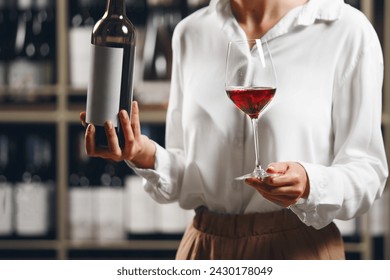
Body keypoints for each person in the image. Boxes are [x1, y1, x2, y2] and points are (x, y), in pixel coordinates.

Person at [80, 0, 388, 259]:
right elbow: (188, 176)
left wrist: (310, 184)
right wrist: (144, 154)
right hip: (204, 249)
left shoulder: (346, 30)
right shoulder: (192, 32)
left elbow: (368, 170)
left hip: (299, 250)